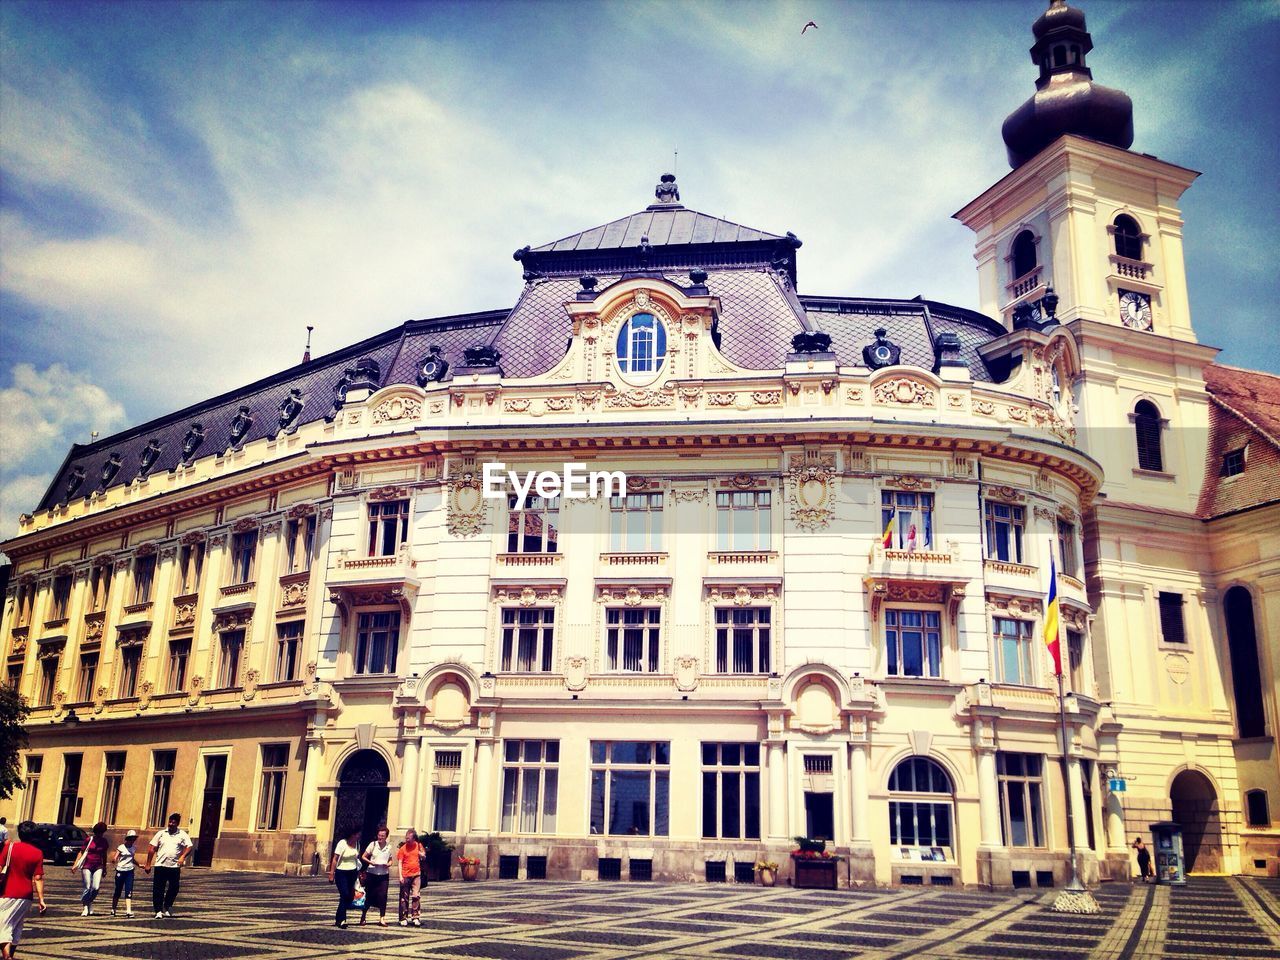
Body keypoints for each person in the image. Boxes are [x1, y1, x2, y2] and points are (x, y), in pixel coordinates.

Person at [0, 821, 48, 960]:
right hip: (26, 895)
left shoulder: (9, 847)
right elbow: (38, 878)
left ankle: (7, 957)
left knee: (3, 925)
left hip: (7, 892)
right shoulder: (38, 853)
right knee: (16, 925)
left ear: (20, 833)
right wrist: (41, 900)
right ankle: (10, 954)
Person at [142, 813, 191, 919]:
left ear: (177, 823)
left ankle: (168, 904)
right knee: (158, 889)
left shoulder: (182, 834)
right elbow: (152, 848)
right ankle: (158, 910)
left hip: (174, 866)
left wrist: (182, 857)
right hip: (160, 865)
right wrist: (148, 864)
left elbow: (189, 846)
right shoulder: (161, 833)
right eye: (170, 822)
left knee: (174, 888)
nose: (171, 824)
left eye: (173, 822)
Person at [71, 821, 110, 916]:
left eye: (102, 832)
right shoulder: (89, 839)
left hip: (98, 865)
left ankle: (89, 901)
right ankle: (85, 906)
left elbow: (104, 855)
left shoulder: (104, 842)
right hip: (87, 865)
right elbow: (81, 852)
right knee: (87, 886)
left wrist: (104, 867)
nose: (100, 834)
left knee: (96, 887)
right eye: (99, 832)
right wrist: (75, 865)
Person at [327, 828, 362, 929]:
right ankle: (342, 919)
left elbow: (356, 860)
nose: (359, 836)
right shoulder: (342, 843)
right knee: (344, 894)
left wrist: (358, 873)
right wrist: (331, 873)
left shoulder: (357, 844)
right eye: (357, 834)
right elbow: (335, 859)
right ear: (352, 834)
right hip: (341, 872)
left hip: (352, 872)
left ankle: (339, 918)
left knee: (347, 896)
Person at [359, 827, 392, 926]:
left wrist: (389, 864)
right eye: (379, 835)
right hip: (371, 874)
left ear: (386, 836)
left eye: (382, 836)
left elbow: (391, 860)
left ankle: (382, 918)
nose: (380, 837)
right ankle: (363, 916)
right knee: (369, 895)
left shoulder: (389, 847)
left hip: (383, 875)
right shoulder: (372, 844)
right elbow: (363, 856)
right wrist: (371, 862)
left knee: (383, 896)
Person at [395, 829, 423, 927]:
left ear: (414, 839)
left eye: (409, 839)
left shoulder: (418, 845)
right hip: (405, 875)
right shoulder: (403, 848)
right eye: (406, 838)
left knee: (416, 895)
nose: (407, 840)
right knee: (404, 897)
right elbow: (399, 863)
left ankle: (415, 917)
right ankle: (403, 918)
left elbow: (424, 856)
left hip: (416, 874)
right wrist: (400, 876)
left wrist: (421, 855)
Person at [110, 830, 138, 918]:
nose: (132, 841)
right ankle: (113, 908)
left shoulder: (133, 848)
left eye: (133, 839)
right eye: (130, 839)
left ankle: (128, 911)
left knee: (129, 890)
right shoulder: (121, 847)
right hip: (120, 871)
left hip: (129, 871)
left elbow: (132, 859)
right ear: (127, 839)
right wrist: (114, 859)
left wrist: (139, 864)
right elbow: (115, 856)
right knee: (118, 890)